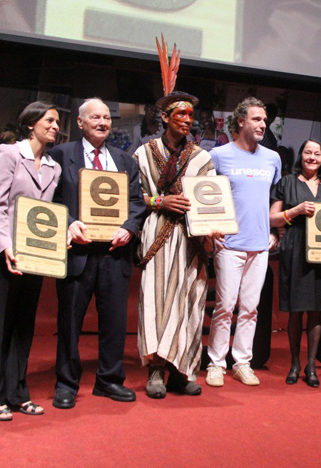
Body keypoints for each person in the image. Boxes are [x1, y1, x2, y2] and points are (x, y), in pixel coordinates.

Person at [49, 97, 145, 409]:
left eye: (106, 118)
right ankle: (66, 383)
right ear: (80, 122)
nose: (103, 123)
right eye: (95, 118)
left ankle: (110, 380)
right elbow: (48, 198)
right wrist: (68, 221)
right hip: (77, 252)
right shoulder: (61, 155)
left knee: (115, 322)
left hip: (115, 255)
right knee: (70, 322)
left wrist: (129, 228)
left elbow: (137, 203)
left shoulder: (124, 161)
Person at [0, 101, 62, 421]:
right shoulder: (8, 154)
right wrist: (5, 246)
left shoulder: (54, 167)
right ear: (30, 123)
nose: (55, 126)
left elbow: (47, 215)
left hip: (34, 253)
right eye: (49, 120)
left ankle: (18, 392)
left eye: (56, 122)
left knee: (24, 325)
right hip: (2, 251)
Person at [134, 91, 220, 398]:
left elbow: (212, 198)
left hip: (192, 238)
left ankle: (183, 370)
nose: (187, 120)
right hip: (157, 233)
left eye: (191, 115)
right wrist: (160, 200)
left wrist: (214, 227)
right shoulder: (144, 154)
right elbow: (133, 197)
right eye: (181, 114)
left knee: (190, 301)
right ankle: (156, 370)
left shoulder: (201, 157)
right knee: (157, 301)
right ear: (166, 117)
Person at [205, 97, 281, 387]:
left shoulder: (273, 158)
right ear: (240, 122)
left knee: (250, 308)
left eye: (264, 120)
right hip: (229, 244)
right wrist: (211, 229)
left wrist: (274, 232)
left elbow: (274, 199)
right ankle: (216, 364)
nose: (263, 124)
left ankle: (243, 363)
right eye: (257, 119)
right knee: (225, 306)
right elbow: (206, 196)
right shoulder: (219, 156)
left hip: (260, 246)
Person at [269, 139, 321, 387]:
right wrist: (296, 211)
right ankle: (294, 364)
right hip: (296, 249)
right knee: (296, 311)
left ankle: (311, 367)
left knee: (316, 311)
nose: (312, 157)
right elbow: (273, 219)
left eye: (317, 153)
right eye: (308, 152)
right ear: (301, 156)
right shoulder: (286, 183)